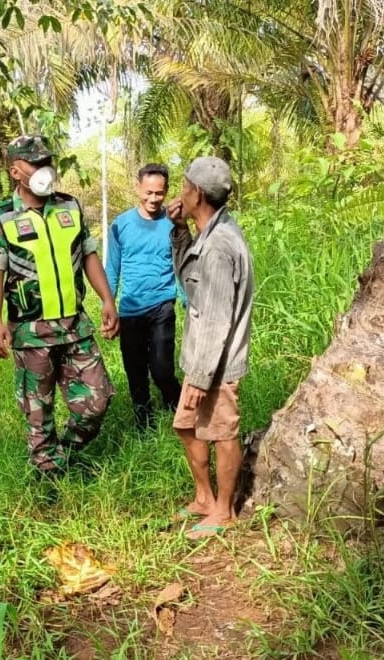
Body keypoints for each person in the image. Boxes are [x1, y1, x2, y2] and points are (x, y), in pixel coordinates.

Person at [0, 135, 119, 475]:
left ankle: (64, 454)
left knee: (96, 401)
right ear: (16, 171)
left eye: (47, 163)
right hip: (31, 332)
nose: (45, 170)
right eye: (35, 164)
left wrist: (107, 299)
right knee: (37, 412)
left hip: (75, 326)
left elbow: (88, 255)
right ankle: (49, 478)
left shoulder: (69, 206)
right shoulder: (2, 217)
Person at [166, 156, 254, 540]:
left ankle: (224, 510)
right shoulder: (208, 232)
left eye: (184, 187)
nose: (178, 194)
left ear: (197, 193)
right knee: (186, 427)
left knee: (222, 432)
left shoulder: (220, 246)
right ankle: (204, 498)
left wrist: (201, 377)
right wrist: (179, 229)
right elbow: (189, 281)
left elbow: (217, 319)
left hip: (215, 364)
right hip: (200, 358)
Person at [105, 164, 184, 431]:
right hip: (130, 310)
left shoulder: (173, 224)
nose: (153, 199)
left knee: (162, 371)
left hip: (162, 305)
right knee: (136, 374)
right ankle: (144, 426)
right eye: (148, 192)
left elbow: (181, 263)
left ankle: (180, 413)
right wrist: (109, 305)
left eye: (159, 194)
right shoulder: (121, 224)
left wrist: (186, 299)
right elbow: (112, 268)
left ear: (166, 192)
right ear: (138, 187)